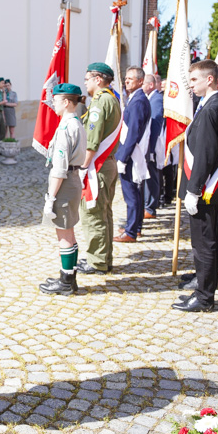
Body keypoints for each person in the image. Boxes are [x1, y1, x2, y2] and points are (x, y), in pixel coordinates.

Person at [173, 60, 218, 313]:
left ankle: (205, 297)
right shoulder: (215, 105)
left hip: (206, 187)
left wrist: (193, 190)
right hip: (210, 185)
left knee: (204, 243)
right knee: (205, 242)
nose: (191, 85)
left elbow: (206, 153)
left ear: (210, 79)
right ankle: (202, 291)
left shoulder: (211, 109)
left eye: (195, 80)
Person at [38, 84, 87, 295]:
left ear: (66, 102)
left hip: (65, 183)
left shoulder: (68, 126)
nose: (53, 104)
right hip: (73, 179)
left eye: (56, 100)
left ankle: (66, 282)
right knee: (69, 233)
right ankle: (68, 275)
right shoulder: (76, 122)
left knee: (64, 234)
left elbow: (59, 169)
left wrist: (50, 198)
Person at [76, 63, 122, 275]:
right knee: (105, 213)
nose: (85, 82)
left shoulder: (99, 102)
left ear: (98, 79)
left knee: (93, 213)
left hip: (98, 165)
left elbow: (92, 142)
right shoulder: (112, 98)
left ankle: (96, 261)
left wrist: (83, 168)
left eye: (87, 78)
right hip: (108, 163)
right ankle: (105, 257)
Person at [114, 67, 151, 243]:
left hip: (131, 154)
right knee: (134, 194)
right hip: (131, 152)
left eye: (130, 79)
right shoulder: (135, 98)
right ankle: (133, 226)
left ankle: (131, 231)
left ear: (140, 81)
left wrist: (123, 157)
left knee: (132, 194)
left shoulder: (138, 101)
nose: (126, 81)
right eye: (126, 78)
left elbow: (133, 133)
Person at [142, 74, 164, 218]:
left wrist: (150, 149)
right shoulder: (151, 98)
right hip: (149, 145)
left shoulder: (156, 99)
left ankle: (150, 207)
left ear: (151, 85)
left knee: (152, 176)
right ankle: (148, 206)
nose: (141, 85)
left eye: (143, 83)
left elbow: (155, 125)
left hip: (153, 145)